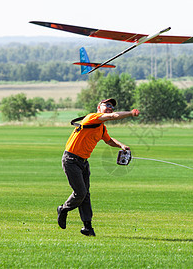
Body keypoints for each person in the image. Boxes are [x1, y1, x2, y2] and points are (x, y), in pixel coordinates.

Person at [57, 98, 140, 236]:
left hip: (83, 162)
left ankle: (87, 228)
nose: (110, 108)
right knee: (80, 193)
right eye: (106, 105)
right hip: (71, 160)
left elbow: (108, 140)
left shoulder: (101, 127)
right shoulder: (92, 117)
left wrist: (121, 145)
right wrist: (131, 113)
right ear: (98, 107)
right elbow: (113, 116)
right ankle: (64, 209)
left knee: (86, 195)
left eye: (111, 106)